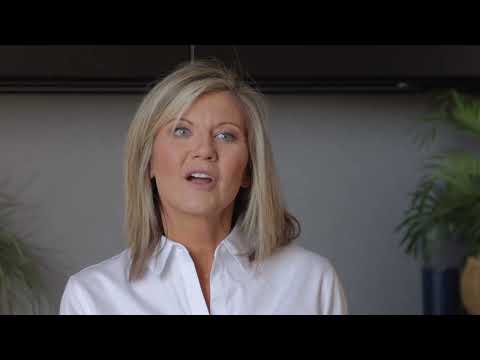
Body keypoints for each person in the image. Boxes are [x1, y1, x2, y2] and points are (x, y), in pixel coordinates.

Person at [59, 60, 348, 315]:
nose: (204, 150)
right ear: (148, 162)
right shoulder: (91, 297)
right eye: (181, 131)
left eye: (226, 135)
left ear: (248, 168)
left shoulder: (312, 282)